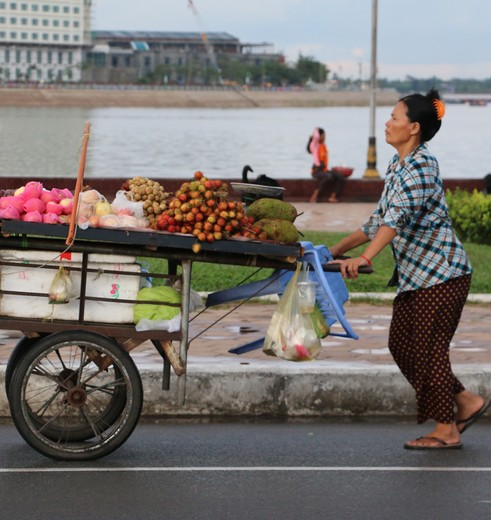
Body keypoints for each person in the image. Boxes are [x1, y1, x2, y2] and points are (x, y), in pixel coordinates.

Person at [328, 89, 489, 450]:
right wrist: (337, 250)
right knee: (401, 345)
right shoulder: (398, 165)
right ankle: (465, 401)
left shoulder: (421, 166)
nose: (388, 122)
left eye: (394, 117)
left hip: (443, 274)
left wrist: (366, 258)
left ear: (413, 127)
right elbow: (379, 219)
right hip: (419, 278)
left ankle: (446, 430)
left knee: (428, 350)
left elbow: (396, 220)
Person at [307, 127, 345, 203]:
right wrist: (315, 131)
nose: (324, 137)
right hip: (316, 171)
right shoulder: (315, 145)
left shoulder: (323, 146)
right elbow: (316, 134)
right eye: (323, 135)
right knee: (328, 177)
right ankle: (314, 196)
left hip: (324, 170)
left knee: (339, 176)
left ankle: (332, 197)